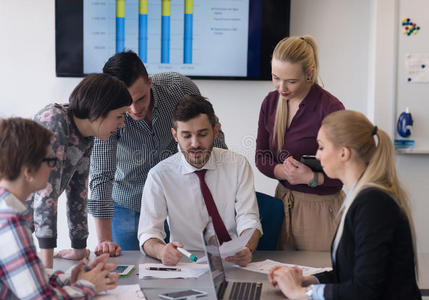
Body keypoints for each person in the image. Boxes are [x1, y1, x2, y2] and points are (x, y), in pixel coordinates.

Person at [268, 110, 421, 300]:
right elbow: (348, 274)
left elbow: (364, 290)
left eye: (322, 147)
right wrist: (308, 280)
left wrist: (301, 293)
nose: (317, 155)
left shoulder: (373, 204)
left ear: (343, 153)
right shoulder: (360, 197)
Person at [89, 51, 227, 253]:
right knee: (131, 270)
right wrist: (104, 243)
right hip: (129, 201)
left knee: (181, 265)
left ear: (150, 82)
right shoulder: (105, 113)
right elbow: (101, 176)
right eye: (127, 103)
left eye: (141, 98)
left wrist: (222, 188)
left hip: (177, 200)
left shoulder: (179, 89)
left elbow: (212, 135)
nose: (135, 109)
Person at [0, 117, 119, 299]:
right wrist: (88, 285)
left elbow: (28, 277)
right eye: (50, 160)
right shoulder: (11, 220)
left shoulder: (8, 208)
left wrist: (70, 277)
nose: (55, 168)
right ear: (28, 170)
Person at [138, 95, 261, 267]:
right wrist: (161, 251)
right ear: (175, 135)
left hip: (233, 262)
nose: (195, 144)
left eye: (202, 134)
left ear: (215, 131)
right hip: (187, 262)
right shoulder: (159, 175)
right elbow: (148, 233)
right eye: (186, 136)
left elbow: (249, 218)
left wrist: (246, 248)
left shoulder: (238, 165)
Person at [31, 73, 132, 268]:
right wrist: (48, 269)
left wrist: (79, 248)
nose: (122, 124)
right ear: (98, 111)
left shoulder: (86, 135)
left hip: (24, 222)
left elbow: (79, 191)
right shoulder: (55, 121)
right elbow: (46, 195)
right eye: (119, 116)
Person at [256, 35, 345, 251]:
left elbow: (345, 173)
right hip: (282, 204)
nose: (281, 88)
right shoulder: (270, 102)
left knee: (317, 277)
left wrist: (311, 178)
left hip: (320, 210)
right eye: (275, 77)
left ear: (310, 74)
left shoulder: (330, 109)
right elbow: (262, 156)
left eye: (291, 81)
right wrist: (282, 172)